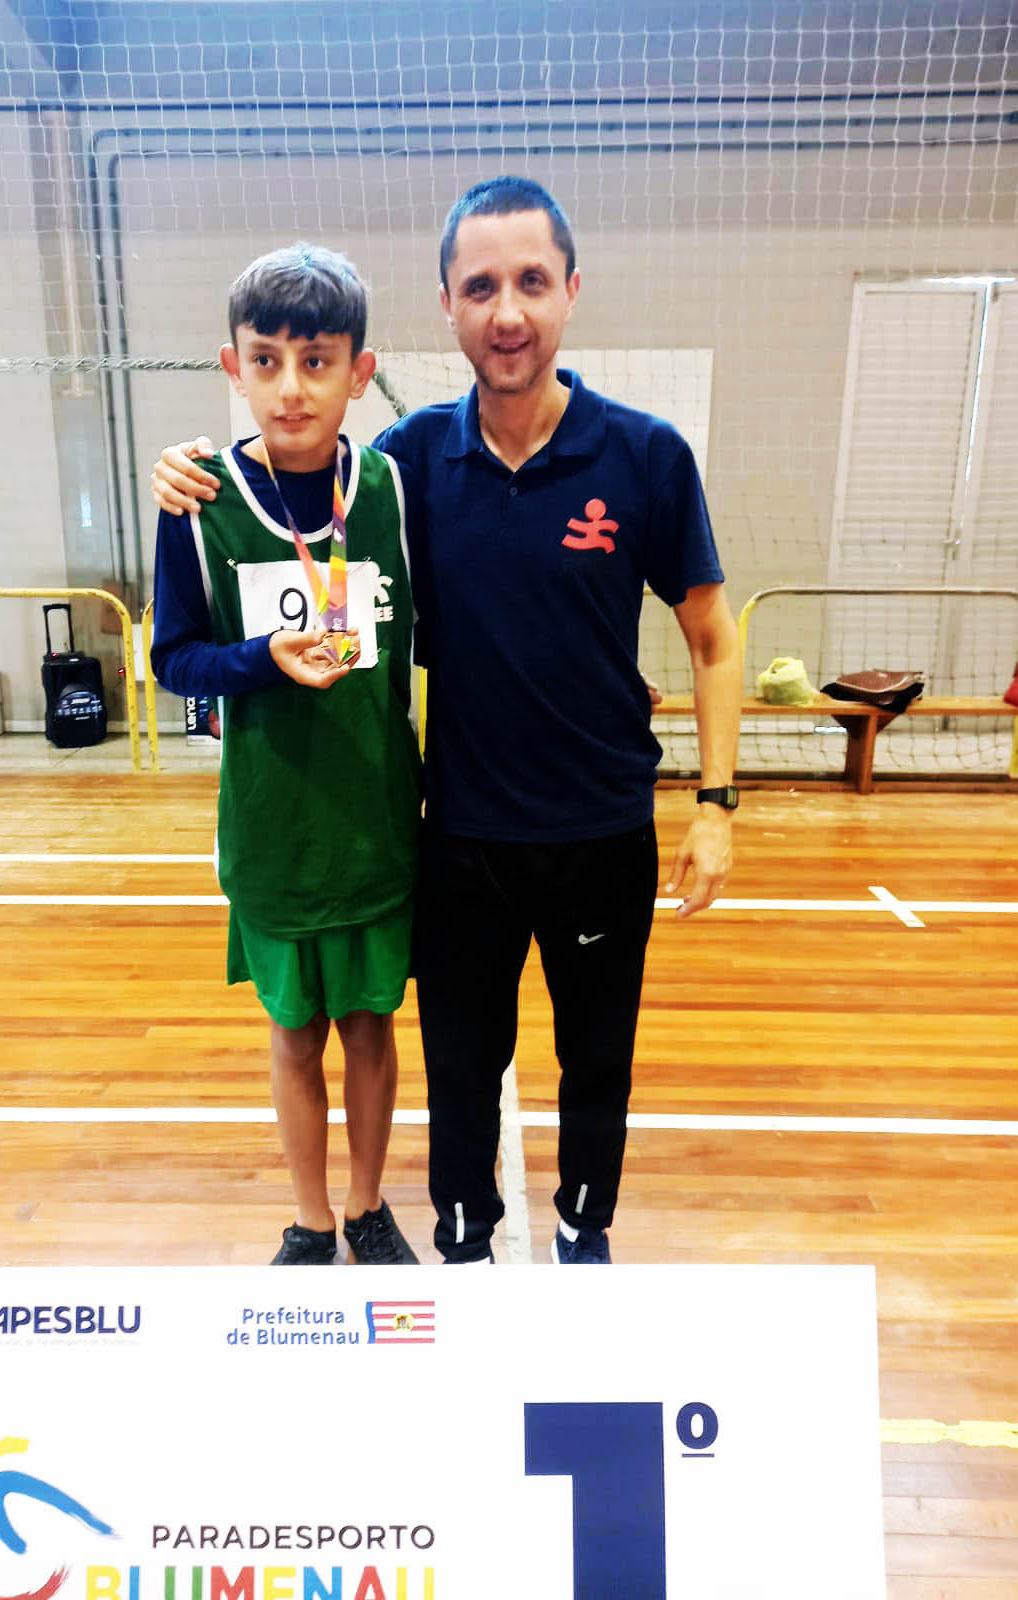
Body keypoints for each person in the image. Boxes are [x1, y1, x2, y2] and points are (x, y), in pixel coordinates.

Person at [151, 178, 742, 1266]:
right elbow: (294, 481)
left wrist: (715, 803)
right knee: (461, 1066)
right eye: (481, 287)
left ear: (570, 291)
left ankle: (583, 1230)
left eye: (529, 282)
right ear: (449, 307)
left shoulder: (647, 454)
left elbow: (712, 638)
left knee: (596, 1059)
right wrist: (191, 470)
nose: (506, 311)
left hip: (604, 828)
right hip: (460, 833)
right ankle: (461, 1239)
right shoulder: (409, 462)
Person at [149, 244, 423, 1267]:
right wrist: (263, 659)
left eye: (316, 361)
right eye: (266, 361)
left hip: (377, 817)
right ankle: (309, 1216)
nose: (290, 386)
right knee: (294, 1033)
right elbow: (176, 658)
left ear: (360, 368)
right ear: (233, 366)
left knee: (371, 1026)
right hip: (271, 823)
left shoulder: (392, 489)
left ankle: (365, 1203)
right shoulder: (198, 500)